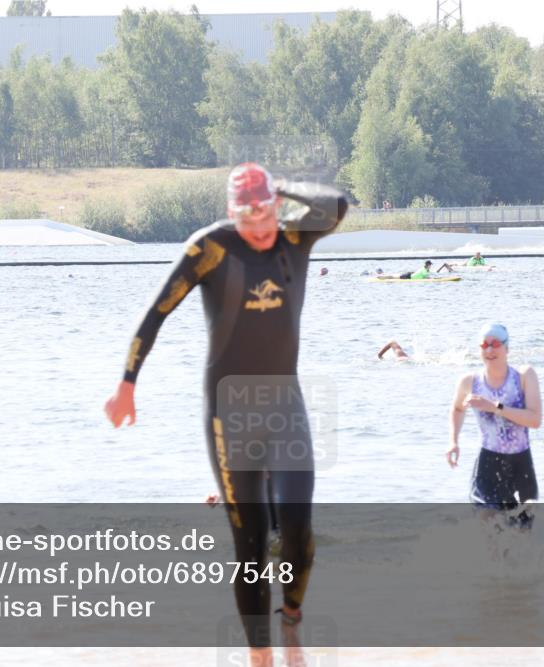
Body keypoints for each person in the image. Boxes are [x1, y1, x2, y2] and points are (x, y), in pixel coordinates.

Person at [104, 162, 348, 666]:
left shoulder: (296, 238)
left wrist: (278, 187)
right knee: (250, 544)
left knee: (298, 528)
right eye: (247, 220)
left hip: (284, 408)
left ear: (277, 207)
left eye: (266, 216)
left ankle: (291, 620)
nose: (259, 230)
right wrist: (127, 383)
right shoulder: (210, 247)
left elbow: (337, 205)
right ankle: (260, 656)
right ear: (230, 214)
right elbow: (155, 313)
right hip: (229, 418)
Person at [447, 323, 542, 530]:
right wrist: (453, 441)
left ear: (507, 348)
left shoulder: (524, 376)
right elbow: (457, 409)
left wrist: (494, 407)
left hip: (521, 466)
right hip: (488, 466)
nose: (489, 350)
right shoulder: (470, 382)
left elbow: (535, 420)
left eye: (495, 344)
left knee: (523, 533)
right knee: (490, 529)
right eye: (484, 345)